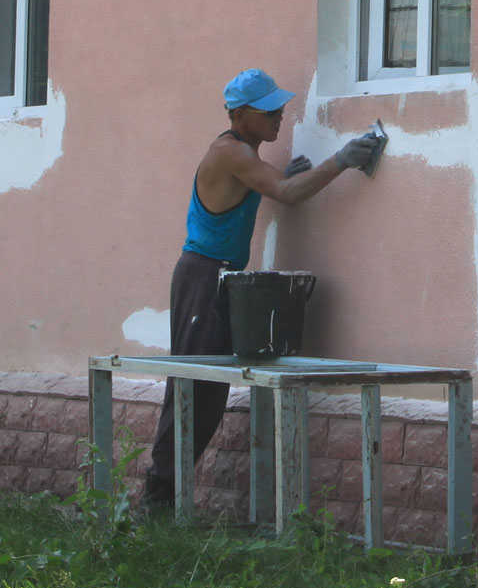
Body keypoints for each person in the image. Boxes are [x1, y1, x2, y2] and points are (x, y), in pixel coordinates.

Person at [144, 68, 378, 507]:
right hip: (203, 276)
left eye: (280, 107)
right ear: (240, 114)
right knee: (194, 390)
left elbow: (273, 185)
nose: (280, 116)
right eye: (269, 110)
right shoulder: (230, 152)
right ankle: (157, 499)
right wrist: (342, 161)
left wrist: (290, 175)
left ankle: (166, 496)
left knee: (209, 395)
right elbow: (286, 193)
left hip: (219, 276)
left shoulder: (243, 154)